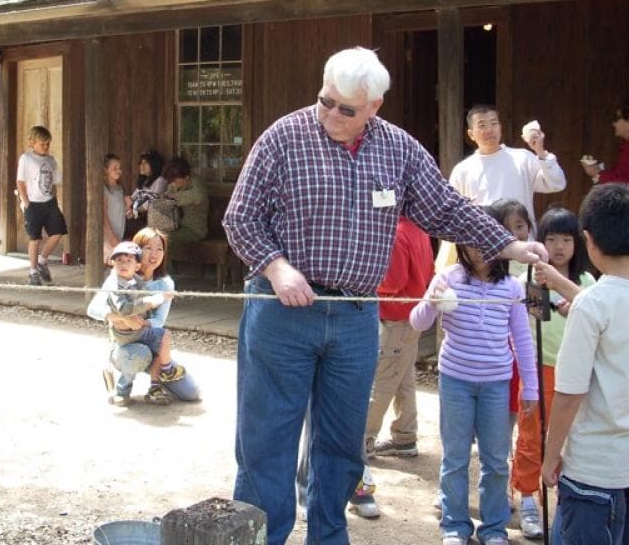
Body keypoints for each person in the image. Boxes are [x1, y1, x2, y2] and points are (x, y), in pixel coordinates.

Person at [223, 46, 547, 545]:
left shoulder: (399, 149)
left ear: (374, 106)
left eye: (346, 108)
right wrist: (277, 267)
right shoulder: (283, 138)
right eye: (325, 100)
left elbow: (444, 209)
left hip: (355, 315)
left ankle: (329, 536)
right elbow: (240, 219)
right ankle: (263, 538)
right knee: (267, 440)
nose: (330, 113)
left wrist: (507, 244)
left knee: (342, 443)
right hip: (280, 310)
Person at [540, 184, 629, 545]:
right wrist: (562, 283)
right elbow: (616, 302)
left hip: (596, 465)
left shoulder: (592, 306)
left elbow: (569, 394)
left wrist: (550, 456)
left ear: (589, 240)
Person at [410, 203, 538, 545]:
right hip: (455, 381)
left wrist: (531, 389)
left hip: (497, 383)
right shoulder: (448, 279)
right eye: (470, 243)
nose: (479, 251)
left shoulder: (511, 288)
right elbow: (417, 322)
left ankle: (494, 527)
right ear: (461, 245)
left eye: (487, 242)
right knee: (454, 455)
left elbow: (523, 340)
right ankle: (454, 526)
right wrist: (432, 303)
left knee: (496, 459)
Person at [511, 206, 595, 540]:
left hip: (573, 371)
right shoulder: (530, 278)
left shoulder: (587, 281)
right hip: (538, 368)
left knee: (567, 437)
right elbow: (537, 317)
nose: (558, 246)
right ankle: (528, 496)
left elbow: (589, 311)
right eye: (550, 239)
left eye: (566, 239)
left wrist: (570, 296)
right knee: (533, 434)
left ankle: (560, 499)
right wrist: (556, 296)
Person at [366, 216, 435, 459]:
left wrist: (367, 281)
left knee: (382, 381)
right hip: (412, 315)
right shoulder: (420, 228)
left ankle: (362, 441)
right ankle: (405, 436)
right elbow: (429, 271)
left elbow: (393, 282)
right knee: (404, 377)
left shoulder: (396, 233)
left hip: (395, 317)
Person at [87, 240, 186, 405]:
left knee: (164, 339)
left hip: (143, 331)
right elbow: (113, 309)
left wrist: (161, 299)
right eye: (148, 248)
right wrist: (122, 318)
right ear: (112, 263)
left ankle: (161, 379)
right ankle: (121, 390)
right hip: (126, 339)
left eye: (159, 249)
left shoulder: (148, 281)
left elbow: (158, 320)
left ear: (137, 266)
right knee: (139, 354)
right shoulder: (114, 283)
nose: (154, 254)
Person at [448, 106, 566, 226]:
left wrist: (540, 151)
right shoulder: (462, 170)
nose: (489, 130)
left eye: (494, 123)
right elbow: (454, 211)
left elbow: (556, 184)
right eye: (482, 125)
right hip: (484, 240)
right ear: (471, 134)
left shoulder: (523, 158)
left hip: (522, 240)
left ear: (500, 128)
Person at [16, 126, 68, 287]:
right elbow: (20, 181)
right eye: (42, 144)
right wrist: (26, 202)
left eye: (47, 144)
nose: (45, 147)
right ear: (32, 142)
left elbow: (55, 182)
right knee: (35, 238)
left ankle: (42, 260)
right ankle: (32, 271)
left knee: (57, 232)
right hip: (33, 203)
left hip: (49, 202)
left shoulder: (51, 160)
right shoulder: (26, 158)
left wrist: (55, 199)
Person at [162, 156, 208, 245]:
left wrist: (166, 199)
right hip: (177, 225)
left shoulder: (197, 186)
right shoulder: (178, 180)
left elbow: (172, 199)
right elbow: (166, 196)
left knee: (164, 237)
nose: (173, 183)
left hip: (194, 229)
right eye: (172, 180)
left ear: (186, 176)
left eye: (175, 180)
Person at [128, 149, 168, 219]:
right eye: (141, 163)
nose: (142, 166)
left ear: (154, 164)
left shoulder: (160, 181)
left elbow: (151, 202)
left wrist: (134, 210)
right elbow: (132, 197)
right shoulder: (145, 181)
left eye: (146, 163)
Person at [103, 154, 127, 264]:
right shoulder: (104, 189)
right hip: (108, 237)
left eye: (119, 168)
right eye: (114, 168)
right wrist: (112, 239)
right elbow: (103, 217)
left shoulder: (120, 188)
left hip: (119, 233)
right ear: (106, 170)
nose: (119, 171)